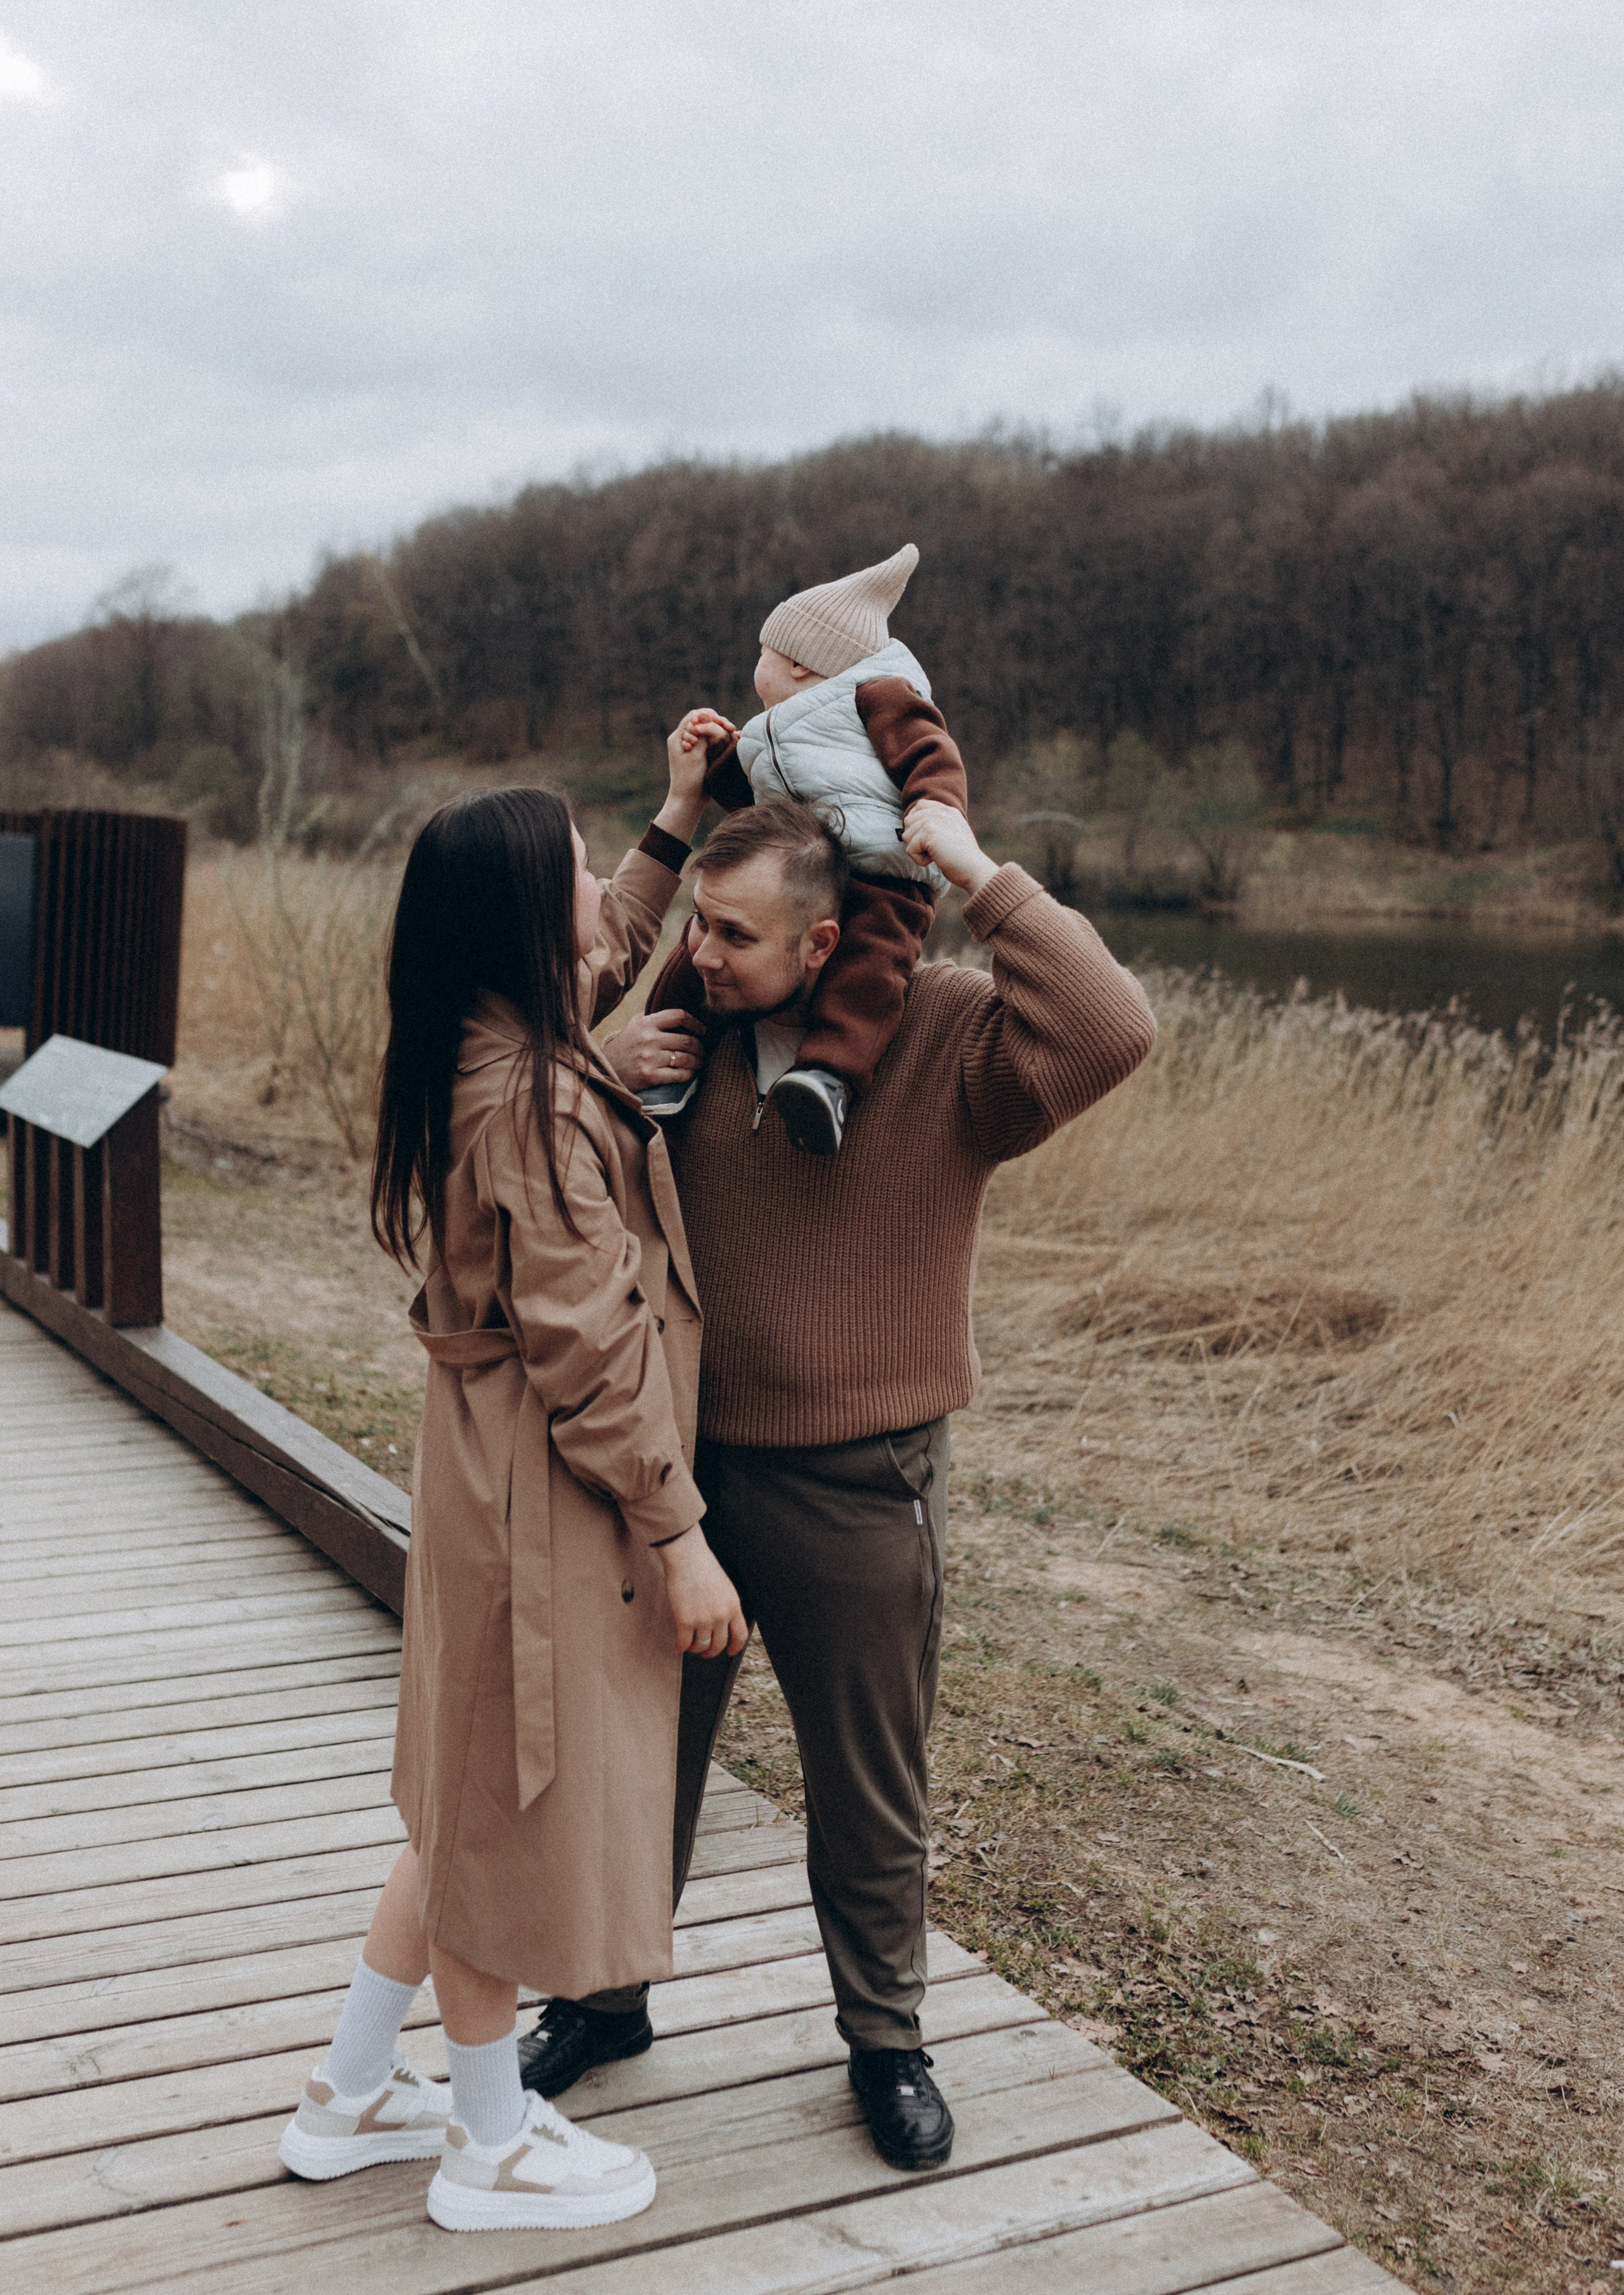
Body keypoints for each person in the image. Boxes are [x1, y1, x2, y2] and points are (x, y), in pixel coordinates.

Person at [521, 792, 1157, 2172]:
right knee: (638, 1759)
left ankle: (885, 2040)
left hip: (862, 1482)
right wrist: (598, 1075)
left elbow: (1113, 1028)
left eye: (734, 935)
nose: (700, 952)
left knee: (868, 1785)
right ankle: (602, 1998)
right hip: (681, 1479)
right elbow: (527, 1119)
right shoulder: (677, 1037)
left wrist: (974, 870)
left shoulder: (946, 1036)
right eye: (699, 923)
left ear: (823, 942)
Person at [277, 752, 746, 2234]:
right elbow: (589, 1347)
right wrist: (677, 1537)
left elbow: (609, 940)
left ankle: (352, 2090)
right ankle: (488, 2146)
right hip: (535, 1490)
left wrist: (676, 819)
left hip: (480, 1463)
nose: (599, 888)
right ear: (521, 922)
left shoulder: (481, 1040)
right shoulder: (534, 1103)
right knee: (490, 1816)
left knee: (456, 1793)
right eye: (576, 870)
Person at [639, 543, 967, 1155]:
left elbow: (931, 753)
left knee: (869, 971)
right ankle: (666, 1063)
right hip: (800, 866)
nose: (755, 667)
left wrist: (936, 808)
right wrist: (715, 759)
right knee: (696, 957)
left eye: (762, 654)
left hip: (885, 873)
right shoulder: (776, 729)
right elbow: (754, 800)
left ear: (798, 663)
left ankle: (827, 1080)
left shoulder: (878, 695)